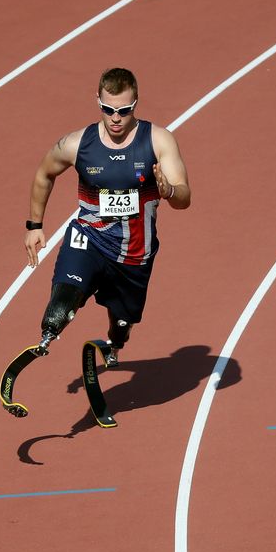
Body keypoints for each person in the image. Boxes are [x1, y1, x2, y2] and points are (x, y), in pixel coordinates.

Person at [23, 67, 190, 369]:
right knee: (63, 302)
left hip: (134, 254)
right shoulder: (77, 144)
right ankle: (49, 333)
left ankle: (115, 341)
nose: (115, 118)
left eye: (124, 111)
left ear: (136, 103)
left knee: (123, 324)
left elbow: (184, 198)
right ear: (97, 102)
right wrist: (34, 226)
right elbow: (43, 173)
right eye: (108, 110)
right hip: (89, 237)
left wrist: (169, 190)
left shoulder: (158, 141)